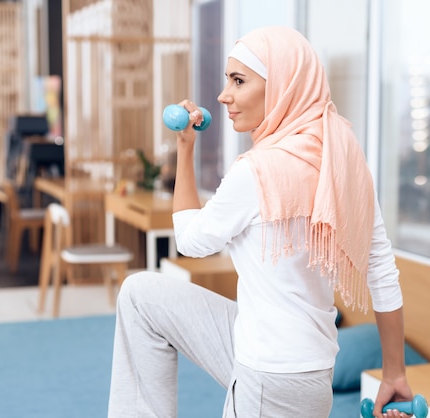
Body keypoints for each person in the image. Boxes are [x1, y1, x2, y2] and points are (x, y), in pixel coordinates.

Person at [108, 26, 413, 418]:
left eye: (239, 80)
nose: (223, 95)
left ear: (282, 87)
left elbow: (189, 240)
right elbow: (382, 272)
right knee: (140, 295)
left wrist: (185, 150)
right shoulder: (344, 159)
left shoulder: (256, 172)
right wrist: (394, 373)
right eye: (226, 80)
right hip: (300, 364)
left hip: (271, 376)